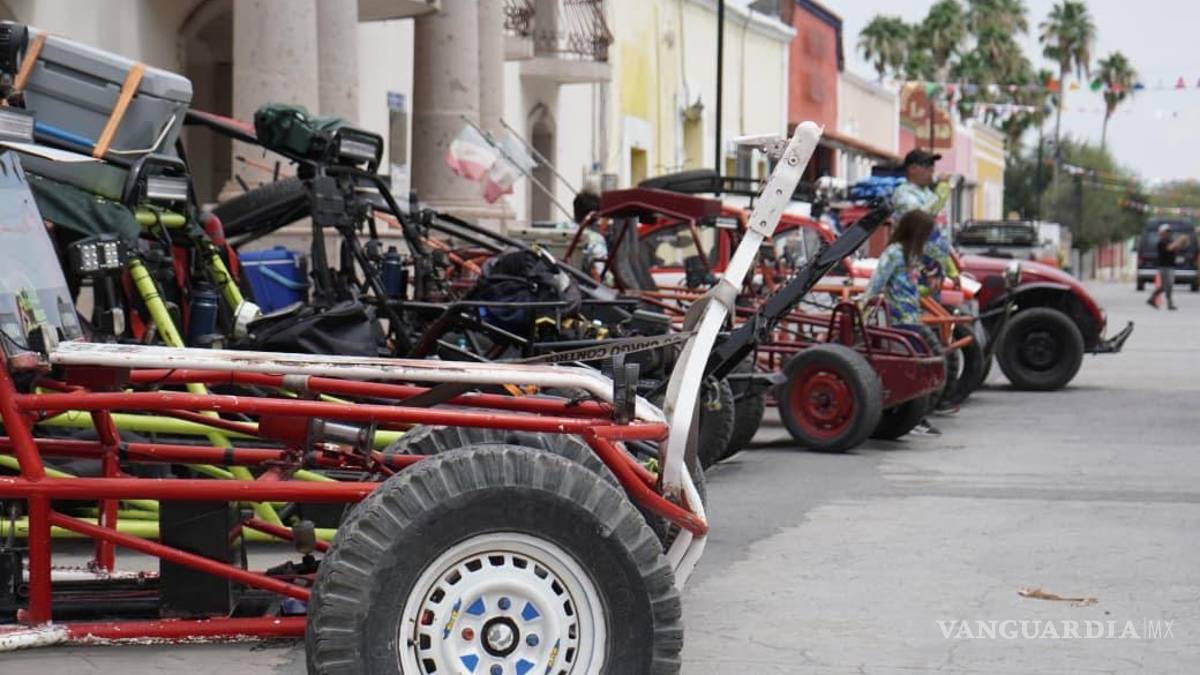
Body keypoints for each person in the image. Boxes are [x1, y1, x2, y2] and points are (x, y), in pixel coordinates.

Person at [862, 209, 945, 437]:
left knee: (919, 366)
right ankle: (914, 418)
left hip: (911, 318)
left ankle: (917, 416)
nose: (928, 238)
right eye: (926, 233)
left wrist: (930, 289)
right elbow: (877, 283)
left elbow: (910, 289)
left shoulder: (912, 255)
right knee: (912, 368)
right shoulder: (894, 253)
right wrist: (862, 305)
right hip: (898, 320)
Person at [1148, 223, 1186, 311]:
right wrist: (1179, 241)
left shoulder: (1170, 240)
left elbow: (1175, 248)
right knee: (1167, 285)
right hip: (1164, 267)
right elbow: (1169, 248)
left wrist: (1181, 243)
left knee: (1167, 286)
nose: (1168, 233)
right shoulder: (1161, 242)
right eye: (1166, 231)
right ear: (1162, 232)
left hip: (1170, 266)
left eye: (1169, 231)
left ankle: (1153, 299)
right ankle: (1168, 303)